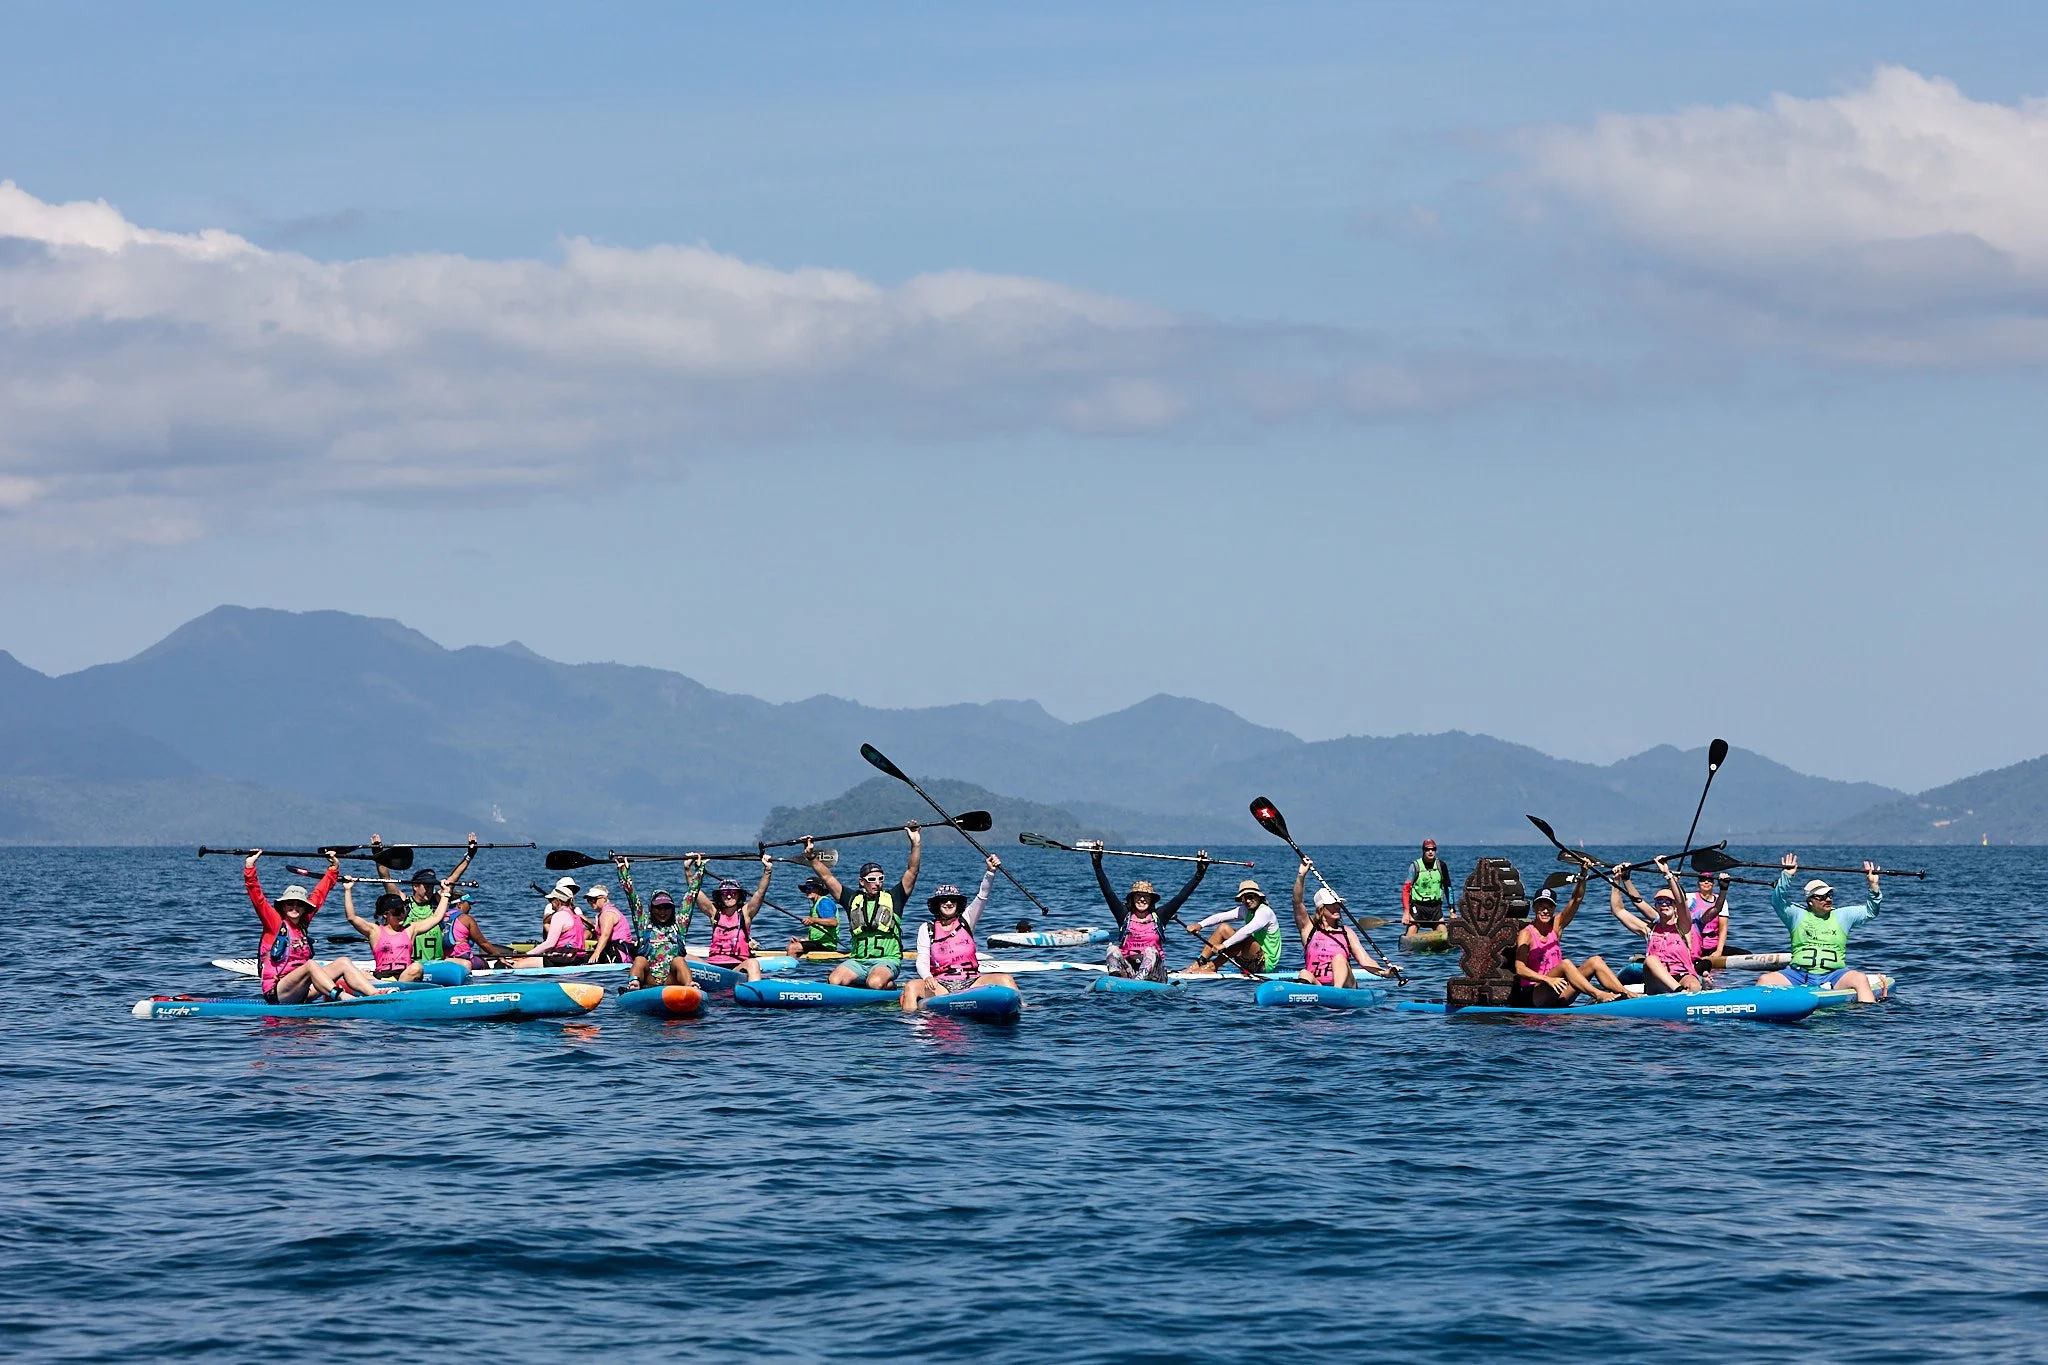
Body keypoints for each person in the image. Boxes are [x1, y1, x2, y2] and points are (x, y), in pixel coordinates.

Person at [242, 850, 385, 1004]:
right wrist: (250, 867)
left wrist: (333, 868)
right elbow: (258, 899)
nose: (294, 908)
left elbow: (319, 894)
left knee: (343, 961)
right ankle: (343, 997)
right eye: (290, 904)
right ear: (283, 906)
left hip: (301, 991)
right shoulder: (274, 923)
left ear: (305, 908)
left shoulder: (303, 923)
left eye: (299, 905)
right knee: (311, 965)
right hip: (277, 992)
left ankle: (376, 994)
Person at [805, 824, 922, 990]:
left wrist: (915, 843)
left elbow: (912, 871)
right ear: (862, 882)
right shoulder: (852, 899)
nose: (877, 883)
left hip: (887, 960)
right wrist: (812, 857)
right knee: (834, 981)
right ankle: (863, 982)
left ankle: (887, 985)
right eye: (872, 880)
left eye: (880, 879)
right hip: (858, 961)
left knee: (874, 983)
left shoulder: (895, 898)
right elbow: (827, 878)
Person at [1756, 854, 1885, 1003]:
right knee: (1764, 979)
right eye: (1822, 897)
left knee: (1860, 979)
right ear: (1810, 901)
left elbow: (1871, 912)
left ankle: (1868, 1020)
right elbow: (1778, 901)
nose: (1828, 899)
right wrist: (1786, 876)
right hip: (1797, 975)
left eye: (1830, 895)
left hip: (1834, 975)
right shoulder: (1796, 915)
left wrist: (1873, 886)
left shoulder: (1843, 916)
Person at [900, 856, 1018, 1010]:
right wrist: (927, 976)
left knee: (1007, 980)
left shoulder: (967, 920)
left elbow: (982, 896)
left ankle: (1022, 1010)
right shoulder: (927, 928)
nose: (948, 903)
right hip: (941, 984)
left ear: (958, 904)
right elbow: (922, 960)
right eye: (944, 900)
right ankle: (912, 1026)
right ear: (937, 904)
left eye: (952, 900)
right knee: (911, 987)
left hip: (972, 981)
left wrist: (990, 872)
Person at [1093, 848, 1209, 980]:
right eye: (1138, 896)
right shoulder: (1124, 916)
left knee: (1150, 951)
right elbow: (1108, 892)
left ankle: (1139, 981)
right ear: (1132, 899)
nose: (1142, 899)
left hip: (1154, 972)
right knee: (1112, 949)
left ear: (1151, 900)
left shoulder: (1159, 916)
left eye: (1146, 897)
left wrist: (1200, 873)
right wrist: (1097, 865)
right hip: (1129, 970)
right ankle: (1116, 978)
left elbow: (1182, 896)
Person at [1513, 876, 1626, 1006]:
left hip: (1558, 991)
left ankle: (1626, 994)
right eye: (1541, 907)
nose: (1545, 911)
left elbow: (1576, 899)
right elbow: (1520, 969)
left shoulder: (1556, 927)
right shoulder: (1526, 934)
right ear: (1534, 909)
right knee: (1565, 964)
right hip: (1533, 995)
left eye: (1549, 907)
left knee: (1595, 961)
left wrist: (1583, 875)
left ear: (1554, 909)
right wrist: (1547, 979)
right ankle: (1599, 994)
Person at [371, 832, 479, 965]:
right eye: (426, 885)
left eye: (432, 885)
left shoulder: (436, 903)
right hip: (412, 966)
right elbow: (386, 879)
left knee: (466, 965)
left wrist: (469, 856)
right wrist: (378, 854)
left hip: (436, 964)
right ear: (415, 886)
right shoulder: (403, 904)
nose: (430, 889)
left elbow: (453, 879)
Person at [1289, 860, 1396, 988]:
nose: (1338, 907)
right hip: (1319, 987)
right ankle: (1304, 995)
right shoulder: (1309, 930)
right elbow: (1297, 902)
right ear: (1321, 909)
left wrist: (1384, 972)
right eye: (1332, 905)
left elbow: (1364, 960)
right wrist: (1301, 876)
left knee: (1339, 958)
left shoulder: (1347, 933)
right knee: (1304, 973)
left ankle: (1336, 991)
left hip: (1345, 986)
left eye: (1338, 904)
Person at [1608, 859, 1703, 994]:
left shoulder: (1683, 926)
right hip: (1656, 983)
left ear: (1675, 906)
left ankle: (1687, 994)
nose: (1664, 904)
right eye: (1660, 901)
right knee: (1651, 960)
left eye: (1669, 901)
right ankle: (1679, 992)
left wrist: (1667, 874)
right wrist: (1616, 881)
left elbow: (1682, 902)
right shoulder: (1649, 930)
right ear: (1656, 906)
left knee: (1693, 985)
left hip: (1682, 976)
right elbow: (1618, 910)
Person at [616, 855, 702, 990]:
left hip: (671, 980)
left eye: (667, 907)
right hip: (648, 979)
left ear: (672, 909)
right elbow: (632, 899)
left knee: (679, 960)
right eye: (658, 907)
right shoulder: (643, 924)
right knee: (639, 959)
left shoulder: (679, 924)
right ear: (651, 908)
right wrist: (623, 871)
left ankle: (689, 986)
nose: (662, 911)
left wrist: (699, 868)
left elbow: (691, 896)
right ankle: (634, 983)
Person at [691, 852, 775, 982]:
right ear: (720, 896)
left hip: (737, 968)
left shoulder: (745, 914)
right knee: (681, 958)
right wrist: (689, 870)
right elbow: (695, 892)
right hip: (713, 968)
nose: (729, 896)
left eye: (733, 893)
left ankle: (755, 996)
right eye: (725, 893)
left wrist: (767, 870)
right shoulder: (714, 914)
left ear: (739, 895)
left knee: (753, 963)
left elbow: (760, 893)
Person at [340, 882, 446, 982]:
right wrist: (348, 890)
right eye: (397, 912)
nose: (401, 915)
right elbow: (352, 918)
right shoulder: (375, 931)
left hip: (404, 976)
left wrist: (446, 893)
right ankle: (383, 989)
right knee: (361, 973)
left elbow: (436, 917)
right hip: (381, 978)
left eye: (403, 910)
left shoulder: (410, 929)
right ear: (386, 914)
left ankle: (395, 989)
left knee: (416, 967)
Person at [1183, 878, 1284, 977]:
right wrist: (1200, 925)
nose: (1248, 901)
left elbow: (1247, 930)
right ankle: (1200, 963)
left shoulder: (1265, 912)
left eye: (1250, 896)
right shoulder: (1244, 910)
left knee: (1243, 937)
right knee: (1223, 928)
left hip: (1264, 964)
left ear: (1258, 897)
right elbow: (1220, 917)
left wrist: (1224, 945)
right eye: (1244, 898)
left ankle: (1212, 966)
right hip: (1248, 959)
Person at [506, 880, 590, 968]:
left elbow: (550, 943)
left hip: (562, 959)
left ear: (557, 901)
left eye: (551, 900)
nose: (550, 903)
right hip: (578, 957)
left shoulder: (559, 915)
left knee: (516, 965)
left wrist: (526, 954)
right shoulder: (576, 916)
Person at [444, 888, 517, 969]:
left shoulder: (441, 916)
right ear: (459, 904)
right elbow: (483, 943)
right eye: (468, 904)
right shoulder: (466, 918)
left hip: (445, 958)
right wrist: (500, 958)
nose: (470, 908)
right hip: (463, 958)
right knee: (484, 964)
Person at [785, 876, 843, 959]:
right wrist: (803, 940)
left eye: (811, 887)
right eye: (806, 888)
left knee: (792, 948)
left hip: (826, 945)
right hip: (817, 943)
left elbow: (833, 922)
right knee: (790, 946)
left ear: (819, 889)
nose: (808, 890)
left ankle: (790, 971)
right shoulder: (815, 905)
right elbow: (817, 933)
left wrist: (813, 920)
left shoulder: (824, 902)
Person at [1402, 839, 1454, 930]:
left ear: (1436, 851)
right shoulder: (1415, 866)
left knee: (1444, 932)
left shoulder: (1441, 866)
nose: (1430, 852)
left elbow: (1448, 888)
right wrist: (1406, 912)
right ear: (1423, 851)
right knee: (1412, 929)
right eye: (1427, 849)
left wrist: (1452, 911)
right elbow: (1406, 890)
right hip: (1418, 907)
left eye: (1433, 849)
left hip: (1435, 908)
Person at [582, 884, 636, 965]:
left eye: (594, 899)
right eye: (589, 900)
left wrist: (596, 953)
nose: (591, 902)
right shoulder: (609, 911)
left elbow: (605, 935)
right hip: (620, 952)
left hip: (617, 953)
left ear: (604, 898)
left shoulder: (607, 914)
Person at [1688, 871, 1731, 963]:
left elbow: (1723, 928)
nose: (1706, 882)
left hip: (1713, 948)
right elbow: (1676, 898)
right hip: (1694, 947)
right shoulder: (1690, 898)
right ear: (1698, 883)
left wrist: (1719, 951)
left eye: (1709, 880)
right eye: (1702, 880)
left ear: (1714, 883)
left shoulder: (1721, 901)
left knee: (1746, 953)